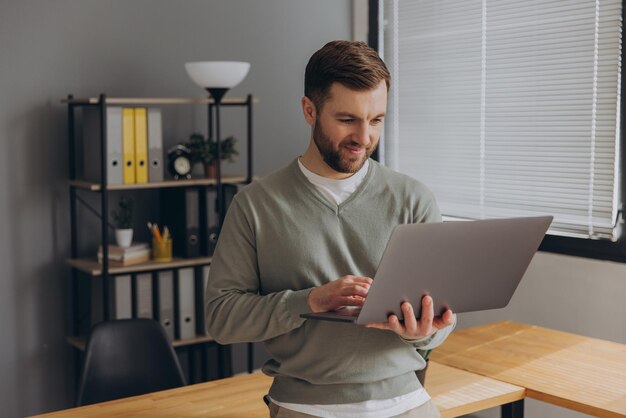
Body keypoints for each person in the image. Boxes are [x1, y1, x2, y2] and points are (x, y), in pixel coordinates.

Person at [205, 40, 456, 418]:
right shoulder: (256, 204)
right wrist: (308, 301)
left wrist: (422, 331)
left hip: (408, 403)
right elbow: (221, 318)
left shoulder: (414, 199)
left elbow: (440, 318)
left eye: (376, 120)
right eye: (347, 120)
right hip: (304, 406)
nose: (364, 137)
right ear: (310, 110)